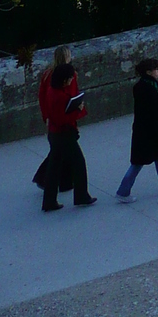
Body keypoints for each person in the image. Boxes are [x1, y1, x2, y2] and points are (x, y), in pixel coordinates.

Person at [38, 46, 96, 211]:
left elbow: (47, 106)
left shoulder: (49, 84)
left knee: (54, 166)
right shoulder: (61, 95)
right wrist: (77, 112)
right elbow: (63, 117)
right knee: (78, 163)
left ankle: (49, 201)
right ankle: (81, 196)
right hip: (63, 133)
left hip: (54, 133)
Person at [116, 59, 158, 201]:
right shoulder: (145, 87)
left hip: (150, 130)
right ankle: (123, 192)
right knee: (139, 163)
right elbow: (149, 112)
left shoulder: (147, 85)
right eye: (157, 69)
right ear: (148, 72)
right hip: (148, 132)